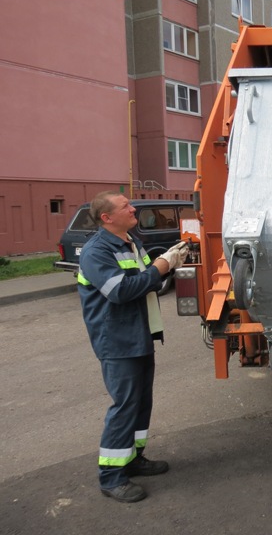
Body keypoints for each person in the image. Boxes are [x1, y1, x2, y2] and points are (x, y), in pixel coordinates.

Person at [77, 191, 189, 502]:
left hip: (139, 335)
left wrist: (166, 262)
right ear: (106, 218)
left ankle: (133, 459)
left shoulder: (130, 241)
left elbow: (147, 281)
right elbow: (122, 292)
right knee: (125, 407)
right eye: (125, 205)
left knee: (141, 403)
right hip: (117, 340)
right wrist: (162, 266)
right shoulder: (96, 251)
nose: (133, 207)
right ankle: (111, 477)